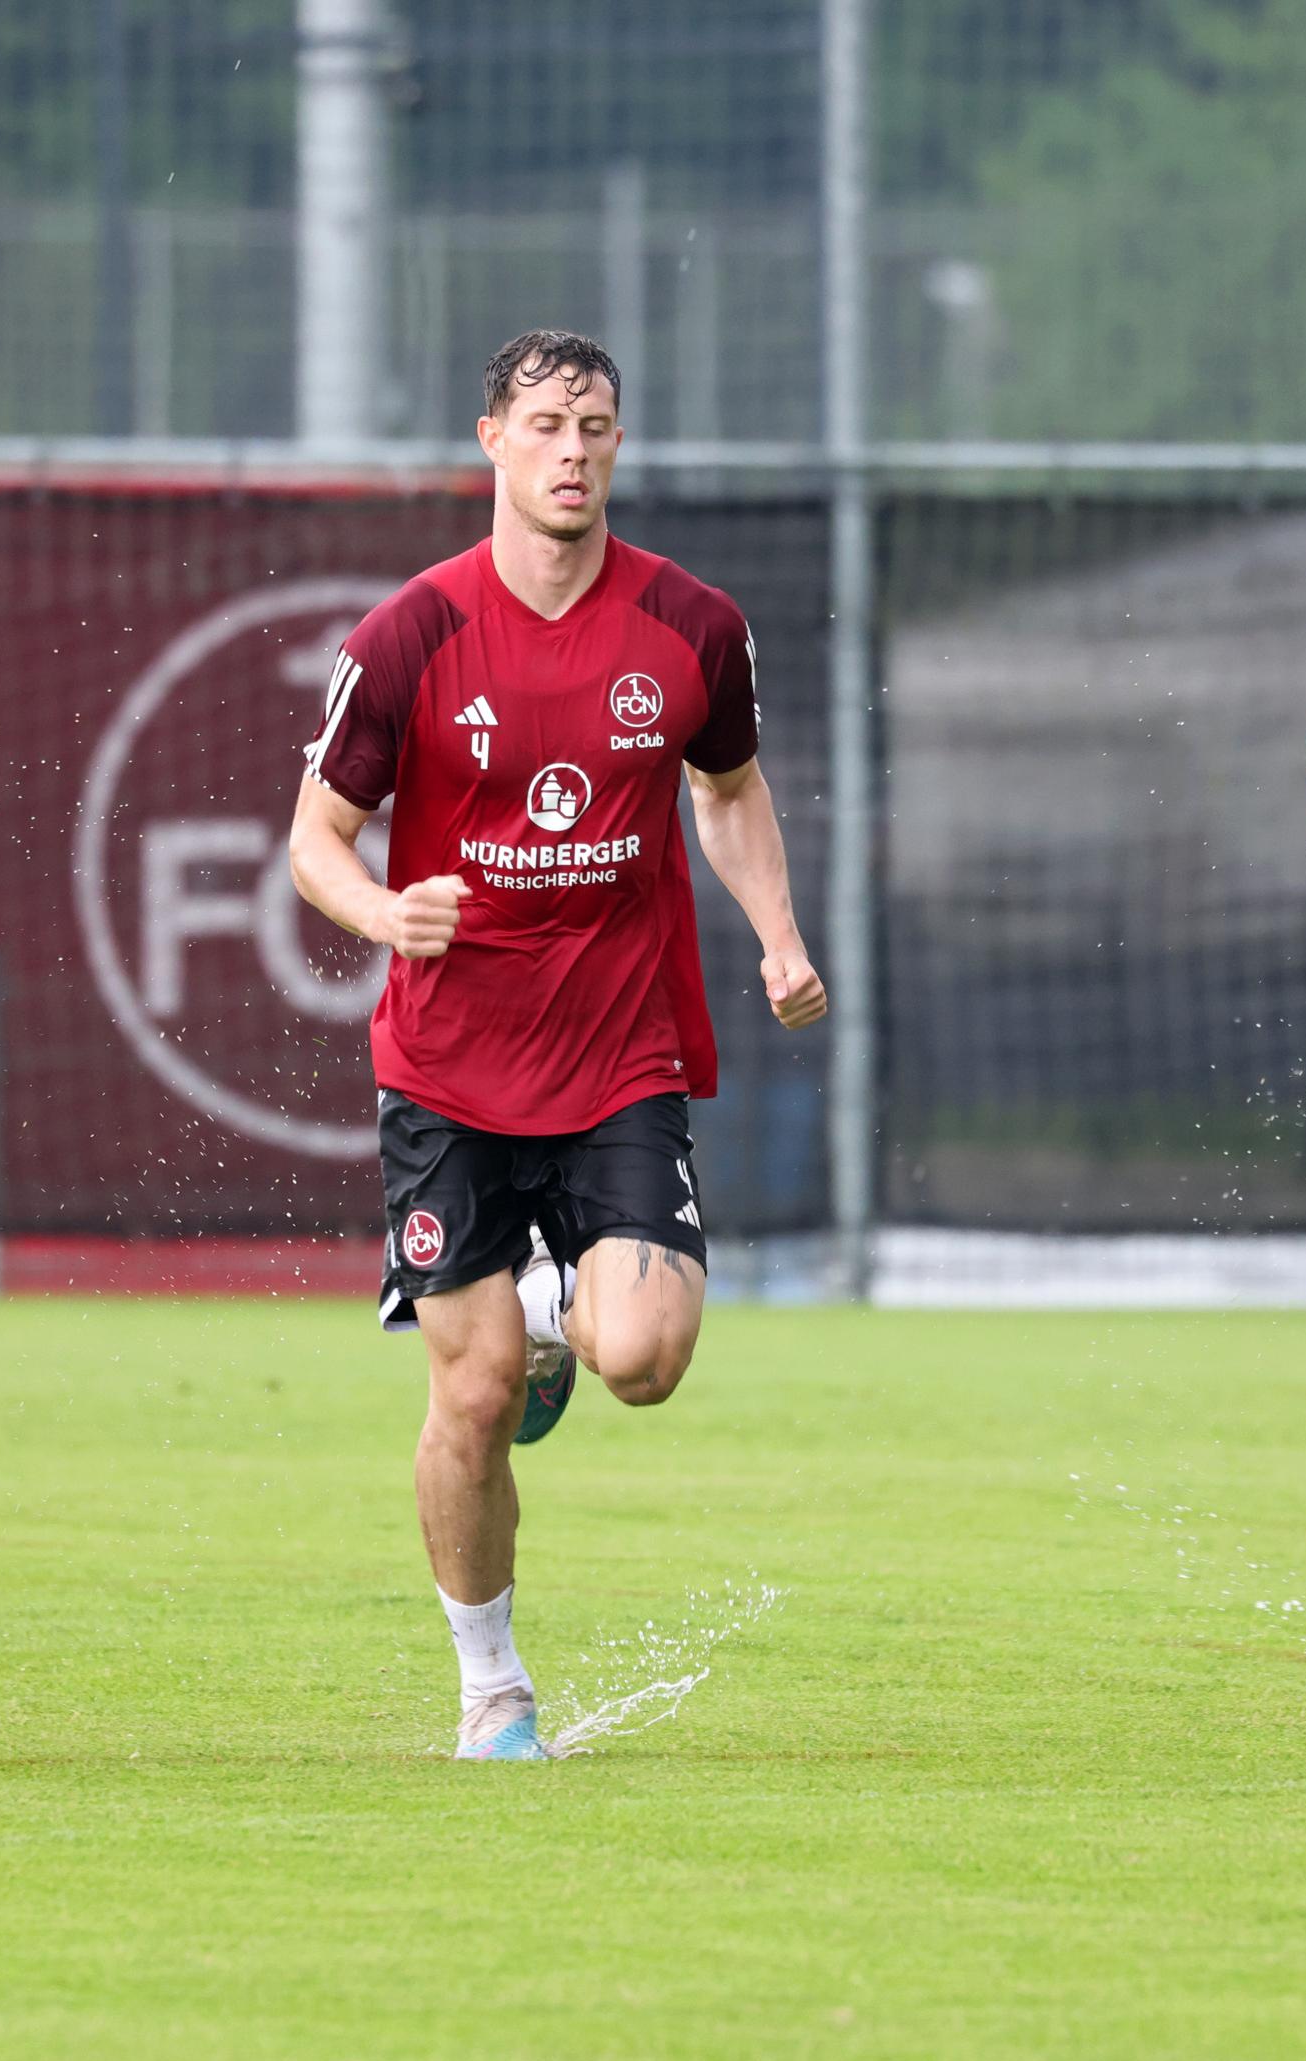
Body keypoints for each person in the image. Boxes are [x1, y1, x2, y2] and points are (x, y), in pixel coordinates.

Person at [289, 329, 828, 1762]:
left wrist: (776, 932)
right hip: (449, 1073)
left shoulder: (694, 627)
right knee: (469, 1399)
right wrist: (383, 910)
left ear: (619, 447)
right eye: (544, 424)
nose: (571, 449)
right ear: (492, 442)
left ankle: (554, 1313)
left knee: (644, 1359)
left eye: (595, 425)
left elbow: (729, 792)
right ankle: (492, 1688)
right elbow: (313, 843)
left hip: (617, 1059)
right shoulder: (410, 635)